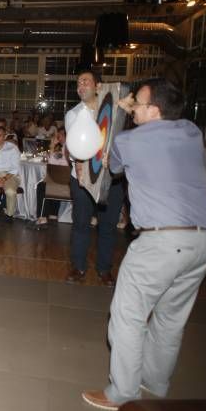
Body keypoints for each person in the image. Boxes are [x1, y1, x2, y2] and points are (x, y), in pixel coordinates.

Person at [81, 79, 206, 411]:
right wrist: (133, 111)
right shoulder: (191, 132)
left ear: (154, 110)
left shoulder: (130, 141)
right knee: (171, 318)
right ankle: (156, 381)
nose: (134, 108)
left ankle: (123, 393)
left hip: (162, 240)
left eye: (138, 104)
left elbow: (109, 166)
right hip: (205, 238)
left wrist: (116, 114)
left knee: (128, 315)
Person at [65, 70, 125, 287]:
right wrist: (79, 166)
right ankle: (78, 266)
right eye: (78, 83)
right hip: (82, 179)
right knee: (81, 224)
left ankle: (104, 269)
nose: (81, 86)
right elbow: (75, 148)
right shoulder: (73, 114)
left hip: (112, 177)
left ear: (98, 86)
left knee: (107, 226)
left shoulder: (116, 111)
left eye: (86, 81)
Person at [34, 127, 69, 226]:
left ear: (64, 135)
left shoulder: (66, 149)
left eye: (59, 135)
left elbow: (52, 164)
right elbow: (56, 158)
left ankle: (43, 216)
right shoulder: (66, 148)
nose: (57, 137)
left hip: (64, 184)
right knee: (48, 181)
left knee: (42, 186)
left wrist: (52, 146)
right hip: (65, 181)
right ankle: (53, 213)